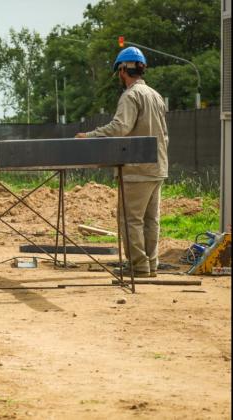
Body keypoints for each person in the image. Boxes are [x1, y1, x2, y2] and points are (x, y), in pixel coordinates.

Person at [76, 46, 169, 278]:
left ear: (123, 70)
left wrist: (90, 135)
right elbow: (164, 134)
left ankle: (138, 266)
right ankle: (150, 265)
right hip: (157, 167)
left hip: (136, 169)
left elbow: (120, 127)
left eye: (119, 71)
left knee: (131, 220)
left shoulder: (131, 96)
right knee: (150, 220)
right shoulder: (155, 95)